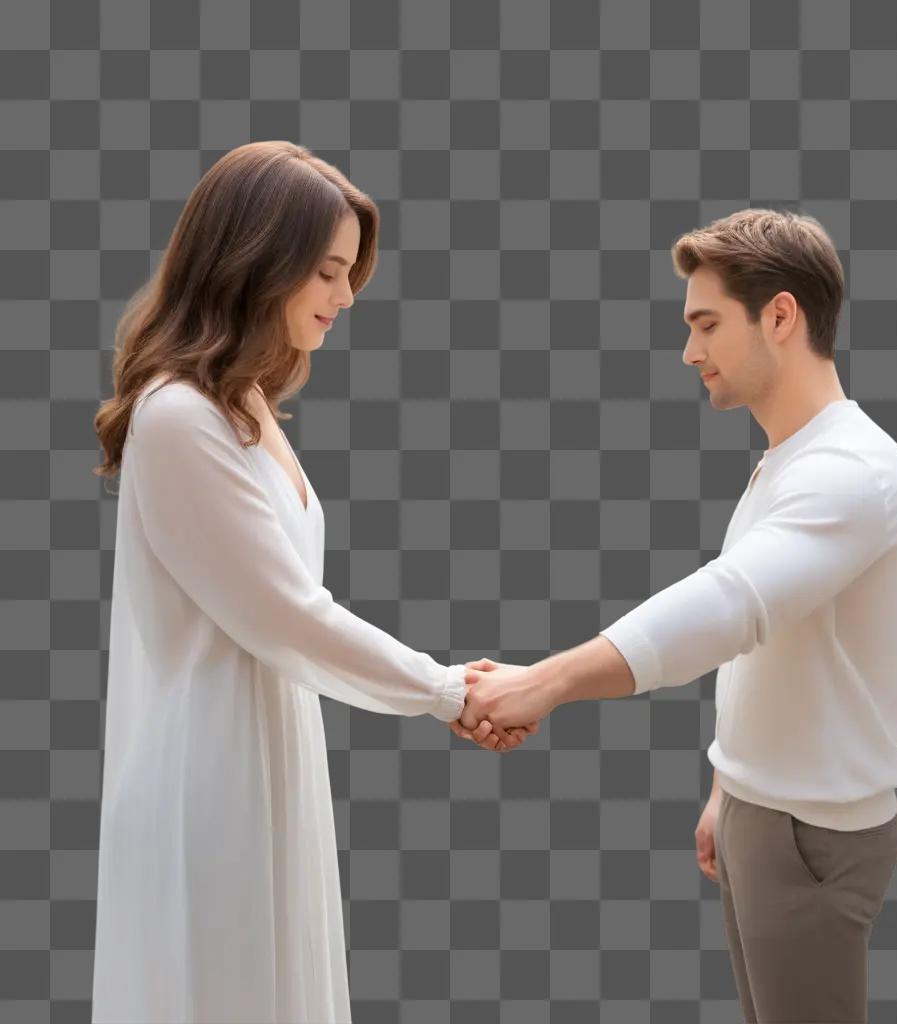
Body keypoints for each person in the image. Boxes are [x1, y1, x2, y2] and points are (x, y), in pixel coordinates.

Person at [90, 141, 535, 1024]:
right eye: (329, 271)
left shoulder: (243, 404)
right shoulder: (179, 416)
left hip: (264, 757)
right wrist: (448, 690)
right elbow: (287, 614)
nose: (346, 296)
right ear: (260, 260)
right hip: (209, 778)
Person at [454, 208, 897, 1023]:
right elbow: (772, 633)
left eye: (706, 324)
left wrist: (547, 682)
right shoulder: (793, 462)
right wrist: (728, 787)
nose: (690, 351)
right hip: (764, 815)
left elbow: (728, 607)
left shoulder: (854, 473)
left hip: (810, 837)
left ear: (780, 316)